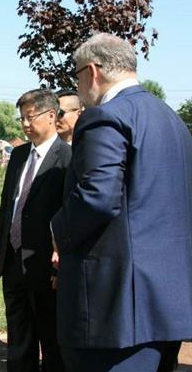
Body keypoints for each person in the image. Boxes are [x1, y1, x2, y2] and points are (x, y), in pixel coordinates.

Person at [50, 33, 192, 372]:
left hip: (114, 310)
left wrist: (58, 228)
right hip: (166, 303)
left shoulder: (106, 116)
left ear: (93, 71)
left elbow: (98, 196)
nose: (78, 86)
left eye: (77, 76)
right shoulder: (172, 120)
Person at [0, 89, 70, 372]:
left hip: (45, 262)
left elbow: (67, 213)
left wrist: (61, 258)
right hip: (13, 259)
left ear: (51, 116)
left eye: (30, 117)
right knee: (19, 336)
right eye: (21, 118)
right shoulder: (19, 154)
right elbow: (8, 204)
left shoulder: (68, 158)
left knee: (51, 338)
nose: (25, 124)